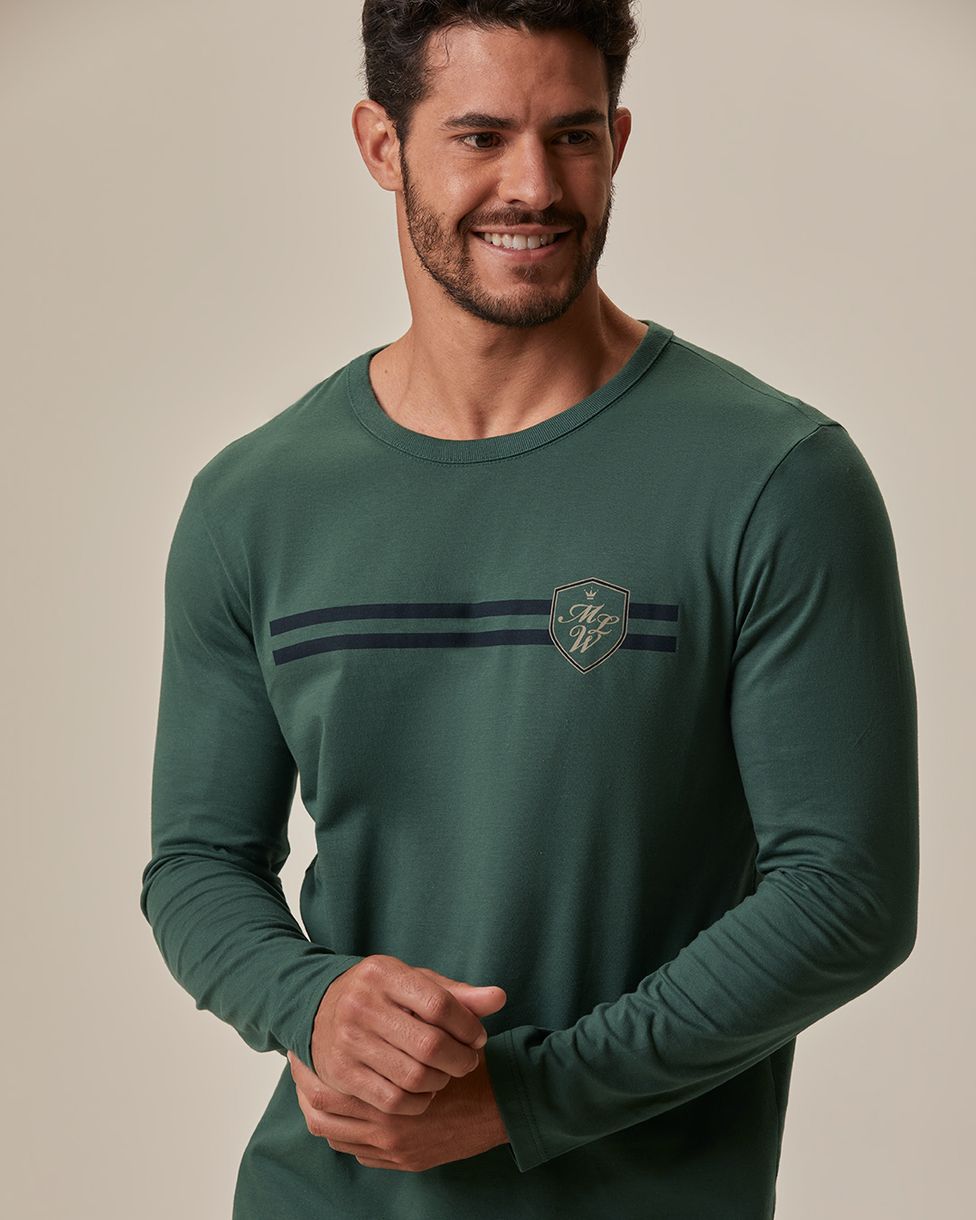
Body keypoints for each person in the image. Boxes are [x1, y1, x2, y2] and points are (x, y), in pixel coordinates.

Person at [139, 2, 919, 1217]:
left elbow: (845, 892)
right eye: (480, 136)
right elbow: (198, 862)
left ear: (618, 138)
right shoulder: (254, 501)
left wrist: (527, 1095)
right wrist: (313, 1001)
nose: (534, 186)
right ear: (382, 145)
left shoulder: (773, 478)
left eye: (571, 136)